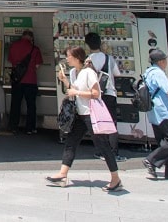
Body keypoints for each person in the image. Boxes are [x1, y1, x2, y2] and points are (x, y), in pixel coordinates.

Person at [46, 46, 123, 192]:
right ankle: (62, 174)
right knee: (71, 142)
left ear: (76, 57)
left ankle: (115, 178)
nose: (67, 59)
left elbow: (95, 93)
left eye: (68, 56)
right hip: (80, 115)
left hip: (91, 114)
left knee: (103, 146)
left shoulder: (89, 72)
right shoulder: (75, 72)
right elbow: (74, 90)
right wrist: (65, 81)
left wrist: (77, 91)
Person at [142, 48, 168, 180]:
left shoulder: (147, 72)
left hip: (153, 112)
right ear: (160, 61)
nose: (166, 62)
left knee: (163, 143)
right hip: (163, 111)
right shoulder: (158, 73)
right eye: (165, 60)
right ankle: (151, 160)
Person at [85, 31, 124, 161]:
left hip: (96, 96)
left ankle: (101, 151)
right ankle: (114, 152)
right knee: (112, 123)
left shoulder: (88, 60)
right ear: (100, 43)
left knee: (98, 123)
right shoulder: (109, 58)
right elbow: (117, 74)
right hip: (110, 93)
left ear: (87, 45)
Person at [8, 29, 43, 135]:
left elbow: (10, 60)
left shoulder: (14, 46)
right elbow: (37, 65)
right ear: (31, 38)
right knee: (31, 105)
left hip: (17, 80)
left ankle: (13, 126)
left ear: (22, 36)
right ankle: (30, 128)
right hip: (30, 80)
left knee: (15, 104)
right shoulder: (35, 49)